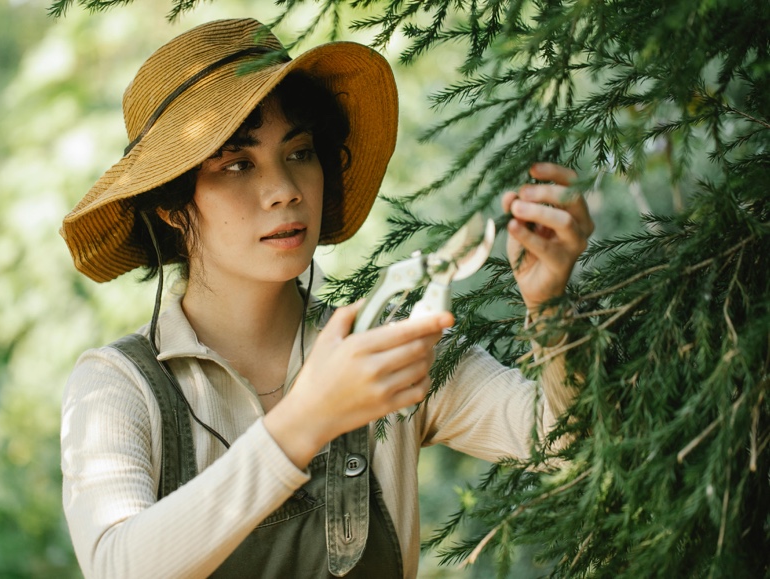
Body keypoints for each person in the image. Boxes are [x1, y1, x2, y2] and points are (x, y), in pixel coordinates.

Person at [59, 17, 594, 579]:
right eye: (238, 164)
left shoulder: (387, 347)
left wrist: (550, 306)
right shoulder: (118, 386)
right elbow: (118, 567)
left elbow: (568, 443)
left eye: (300, 152)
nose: (285, 190)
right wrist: (304, 421)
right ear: (171, 204)